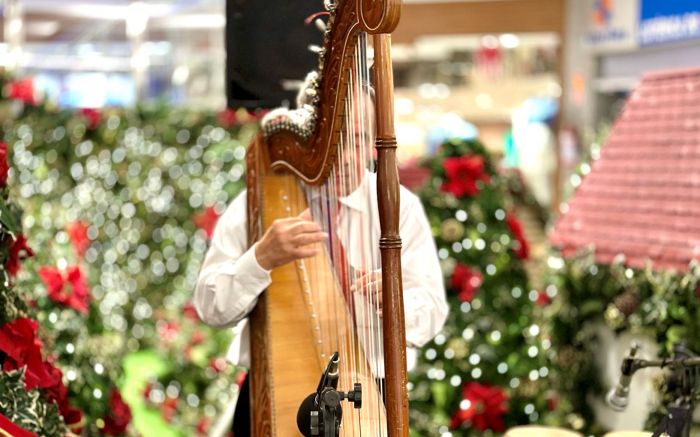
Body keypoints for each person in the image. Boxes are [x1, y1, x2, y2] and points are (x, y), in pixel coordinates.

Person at [194, 94, 448, 435]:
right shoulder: (256, 202)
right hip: (270, 389)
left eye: (358, 140)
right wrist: (260, 259)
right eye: (333, 141)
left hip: (371, 394)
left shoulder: (400, 207)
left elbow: (432, 311)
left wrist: (396, 303)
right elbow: (211, 308)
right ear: (309, 142)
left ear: (374, 142)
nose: (345, 157)